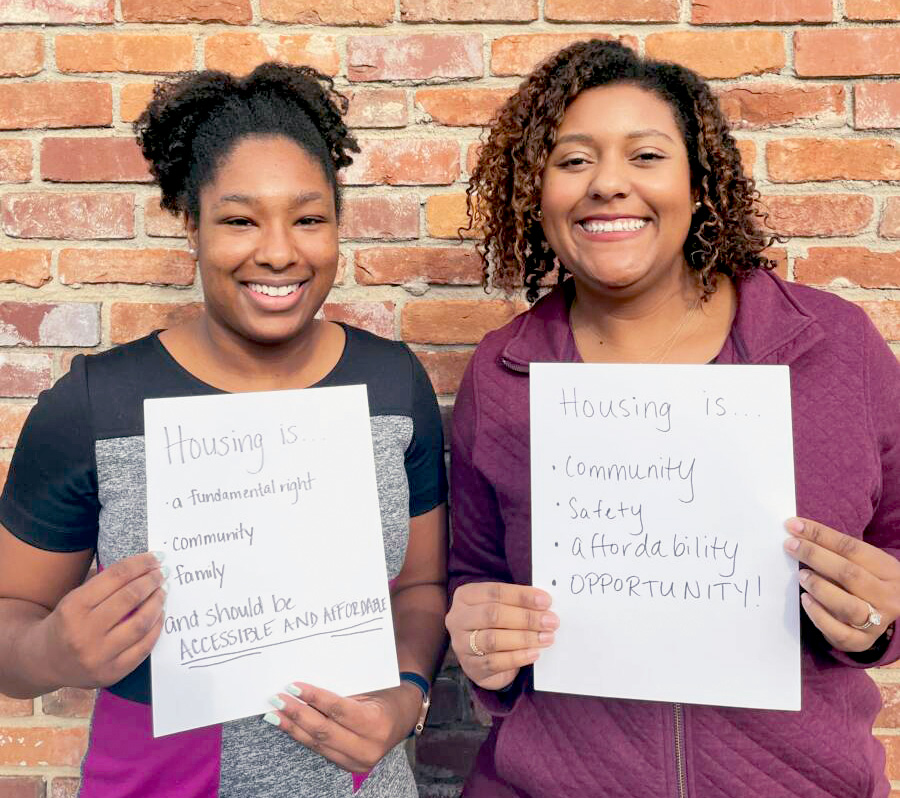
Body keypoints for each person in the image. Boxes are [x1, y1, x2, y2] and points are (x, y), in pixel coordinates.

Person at [445, 39, 900, 798]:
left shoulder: (835, 347)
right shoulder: (502, 376)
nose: (609, 185)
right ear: (537, 192)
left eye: (647, 156)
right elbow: (476, 580)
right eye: (573, 160)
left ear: (700, 183)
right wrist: (482, 643)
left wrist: (886, 612)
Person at [0, 62, 448, 798]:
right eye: (240, 219)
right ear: (191, 225)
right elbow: (9, 618)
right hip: (159, 781)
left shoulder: (393, 387)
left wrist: (406, 698)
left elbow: (422, 586)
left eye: (309, 218)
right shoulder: (94, 406)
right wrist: (50, 652)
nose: (278, 252)